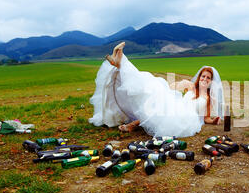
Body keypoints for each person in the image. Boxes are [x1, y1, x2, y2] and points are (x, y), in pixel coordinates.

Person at [88, 42, 225, 138]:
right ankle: (121, 63)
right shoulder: (190, 86)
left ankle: (120, 63)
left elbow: (206, 118)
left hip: (186, 117)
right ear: (199, 77)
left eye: (208, 78)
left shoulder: (208, 98)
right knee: (152, 85)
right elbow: (173, 89)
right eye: (203, 76)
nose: (204, 79)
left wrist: (214, 121)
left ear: (211, 81)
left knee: (156, 106)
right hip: (176, 105)